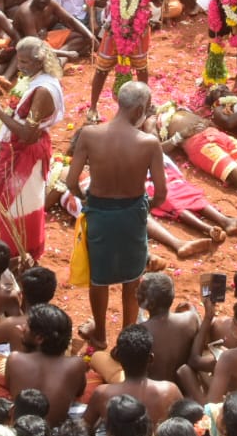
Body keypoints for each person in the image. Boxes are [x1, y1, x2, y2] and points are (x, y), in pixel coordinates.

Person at [66, 81, 166, 351]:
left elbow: (71, 181)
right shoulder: (149, 143)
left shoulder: (89, 134)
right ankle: (127, 337)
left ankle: (100, 334)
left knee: (99, 277)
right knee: (133, 278)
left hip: (99, 212)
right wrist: (145, 209)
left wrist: (86, 199)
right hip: (132, 214)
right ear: (140, 110)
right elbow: (161, 193)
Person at [0, 38, 65, 265]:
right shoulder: (34, 80)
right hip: (18, 152)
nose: (20, 66)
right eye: (19, 60)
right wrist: (8, 94)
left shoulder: (43, 91)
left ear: (40, 61)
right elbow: (22, 110)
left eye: (25, 61)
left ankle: (20, 255)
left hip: (27, 154)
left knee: (17, 207)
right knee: (11, 205)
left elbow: (28, 134)